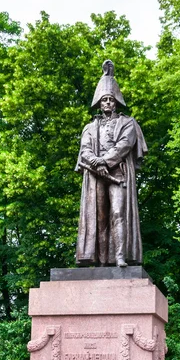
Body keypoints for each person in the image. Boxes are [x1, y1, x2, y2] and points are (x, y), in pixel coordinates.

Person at [75, 60, 147, 267]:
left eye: (111, 99)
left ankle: (120, 256)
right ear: (99, 103)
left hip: (118, 175)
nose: (108, 103)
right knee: (99, 218)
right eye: (104, 100)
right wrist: (97, 163)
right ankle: (102, 260)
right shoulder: (90, 127)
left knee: (118, 213)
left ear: (116, 102)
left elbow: (124, 145)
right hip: (96, 176)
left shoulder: (128, 123)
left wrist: (104, 161)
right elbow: (85, 150)